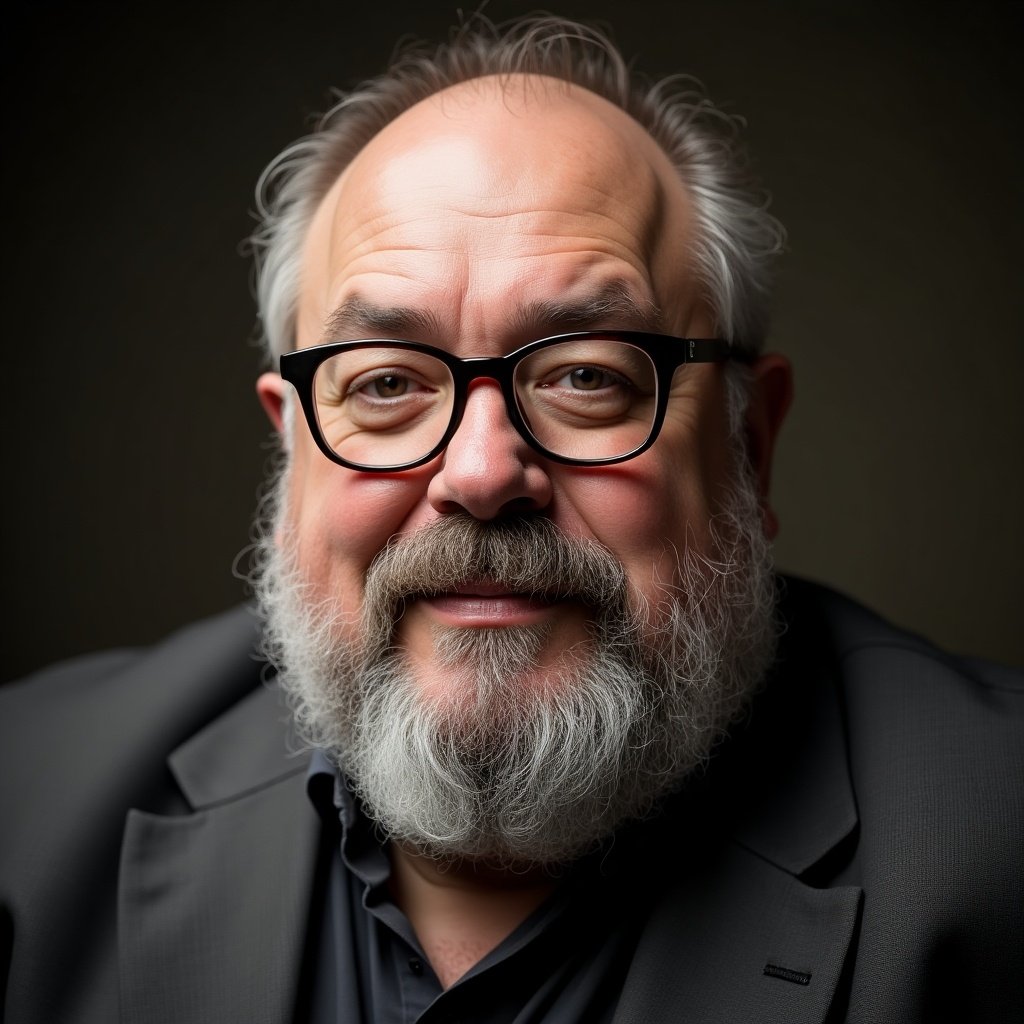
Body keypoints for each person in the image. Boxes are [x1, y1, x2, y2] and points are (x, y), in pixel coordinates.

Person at [2, 14, 1021, 1024]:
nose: (483, 473)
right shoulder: (25, 807)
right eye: (389, 383)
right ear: (295, 448)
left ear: (750, 448)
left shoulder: (995, 844)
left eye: (586, 375)